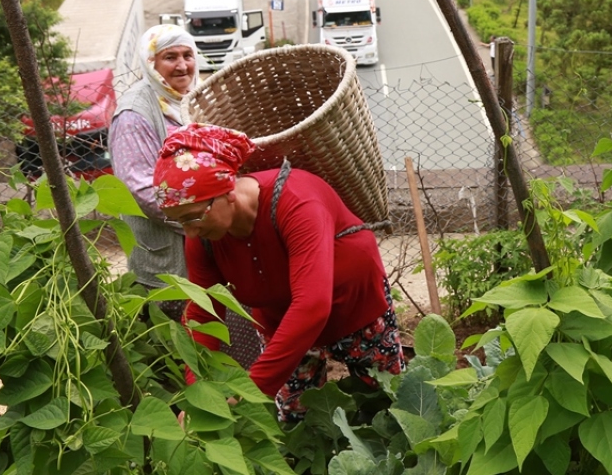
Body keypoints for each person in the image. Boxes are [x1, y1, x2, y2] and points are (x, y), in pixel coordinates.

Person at [153, 123, 404, 422]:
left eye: (192, 217)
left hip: (352, 306)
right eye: (179, 222)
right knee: (294, 421)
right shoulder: (203, 239)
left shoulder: (296, 200)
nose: (189, 231)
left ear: (226, 191)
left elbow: (311, 306)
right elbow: (203, 314)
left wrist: (248, 393)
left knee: (388, 405)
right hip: (283, 323)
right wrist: (201, 397)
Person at [109, 25, 262, 367]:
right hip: (172, 255)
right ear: (150, 62)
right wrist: (200, 217)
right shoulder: (134, 115)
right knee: (188, 342)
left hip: (212, 237)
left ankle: (245, 399)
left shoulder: (191, 102)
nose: (182, 66)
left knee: (233, 328)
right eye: (170, 57)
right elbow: (139, 188)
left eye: (187, 55)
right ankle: (201, 406)